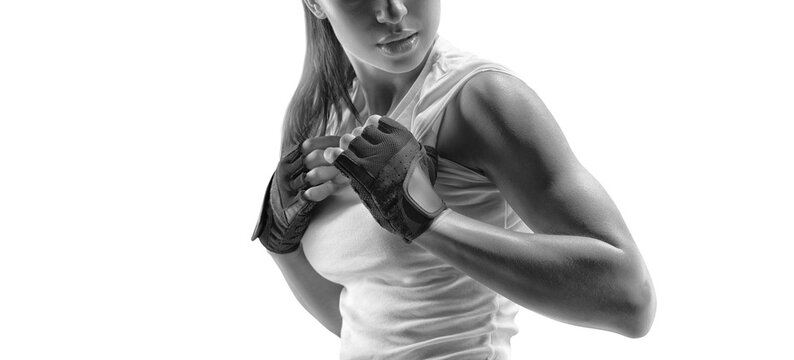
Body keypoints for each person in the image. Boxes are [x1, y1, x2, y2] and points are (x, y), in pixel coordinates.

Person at [251, 0, 656, 358]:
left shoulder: (481, 98)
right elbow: (364, 322)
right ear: (315, 4)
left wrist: (430, 221)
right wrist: (280, 245)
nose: (394, 11)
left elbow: (630, 299)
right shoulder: (320, 117)